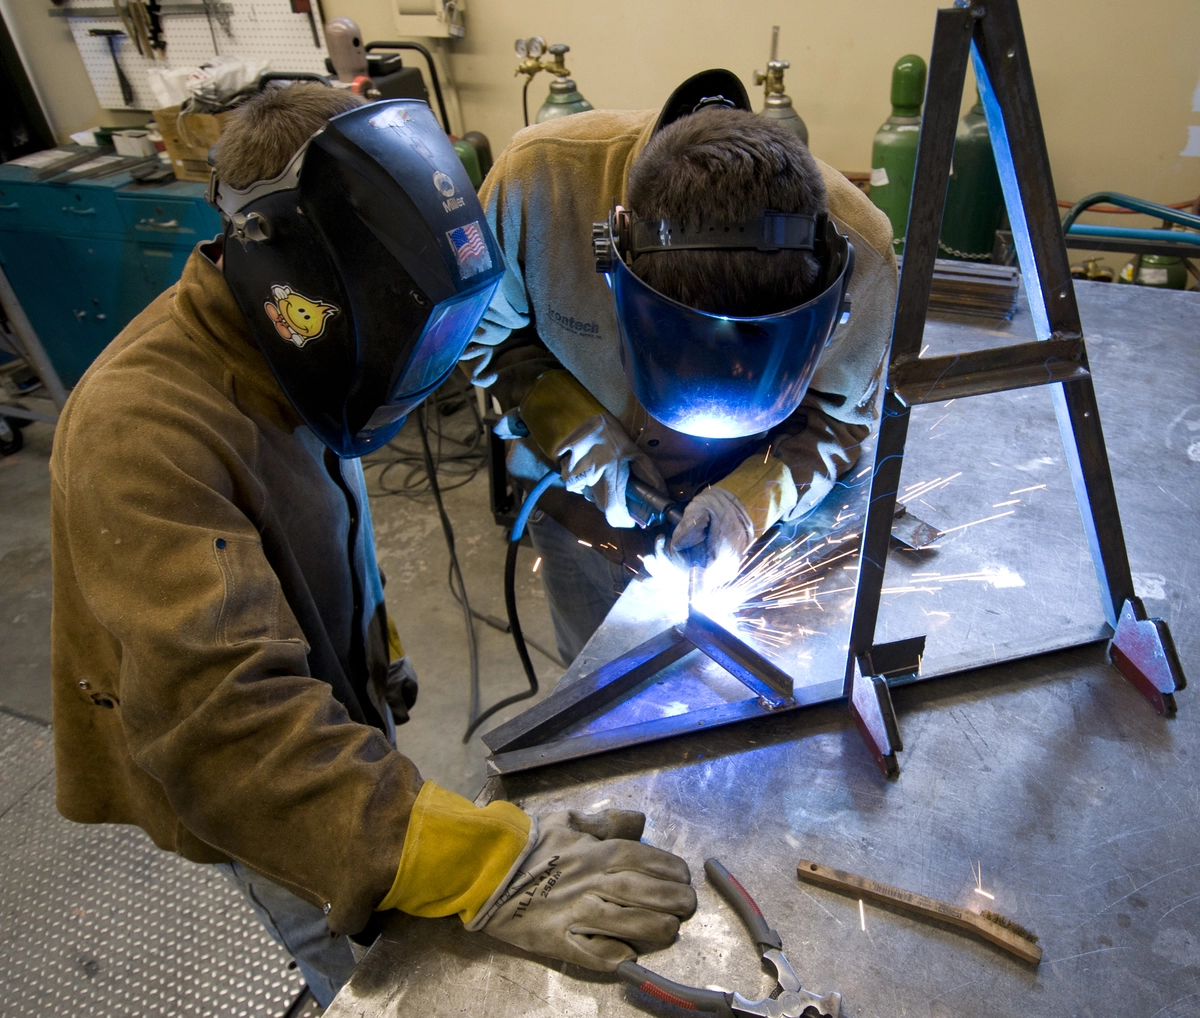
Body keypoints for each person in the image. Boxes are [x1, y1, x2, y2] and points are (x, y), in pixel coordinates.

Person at [49, 84, 696, 1008]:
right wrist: (495, 862)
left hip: (328, 702)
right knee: (359, 949)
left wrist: (375, 658)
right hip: (250, 776)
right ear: (287, 270)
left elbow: (312, 541)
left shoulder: (285, 347)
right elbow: (231, 738)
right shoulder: (141, 432)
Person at [465, 71, 897, 664]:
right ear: (618, 263)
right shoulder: (537, 188)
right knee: (589, 700)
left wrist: (747, 505)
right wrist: (575, 431)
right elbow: (486, 337)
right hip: (576, 511)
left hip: (750, 537)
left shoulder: (860, 255)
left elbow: (837, 419)